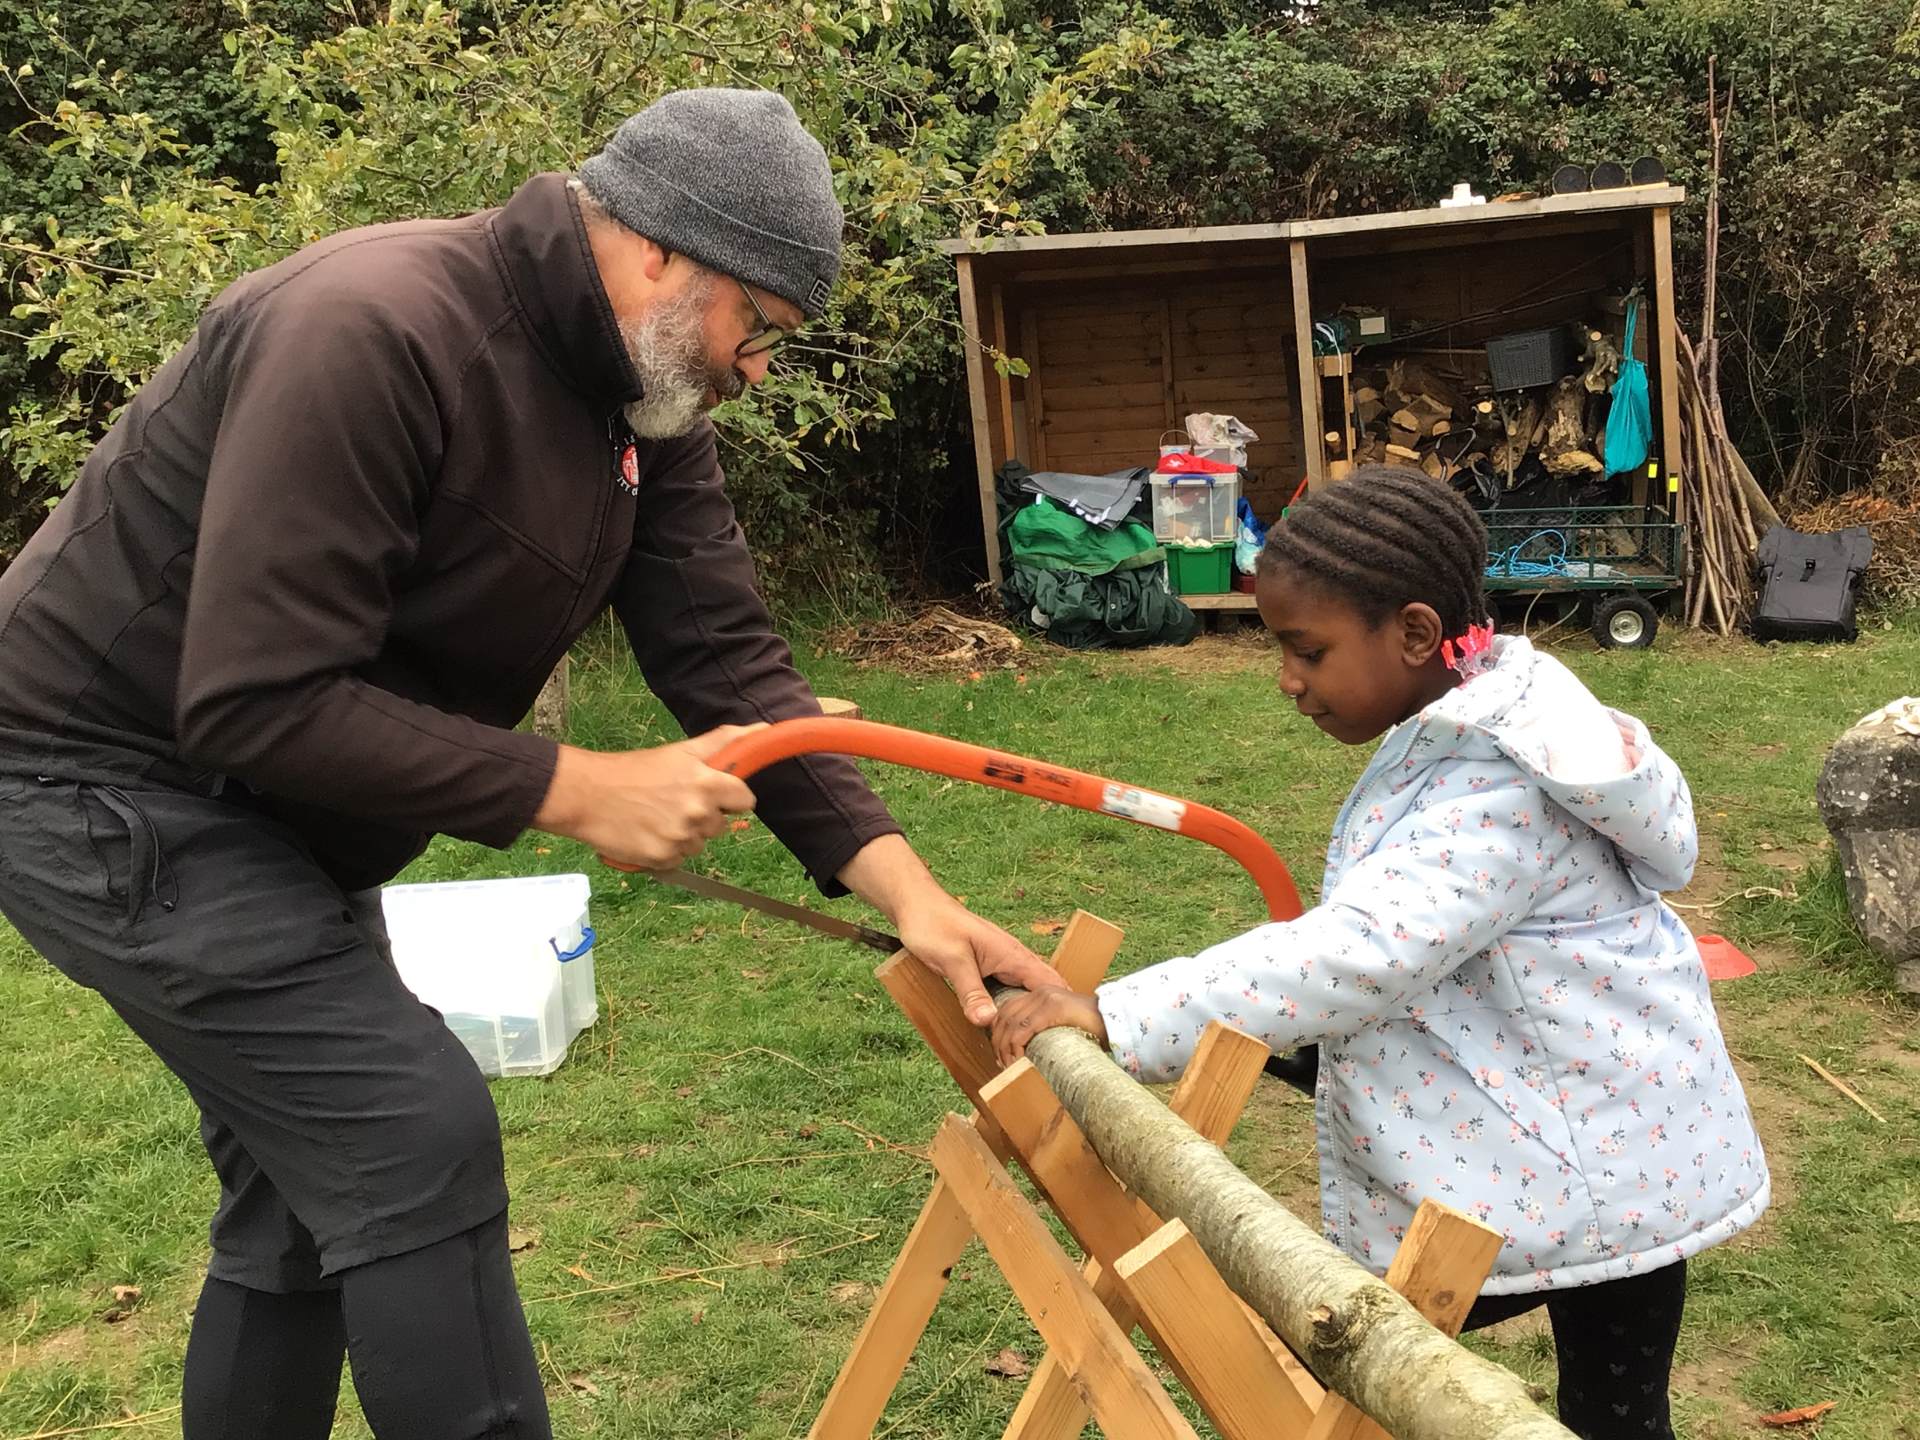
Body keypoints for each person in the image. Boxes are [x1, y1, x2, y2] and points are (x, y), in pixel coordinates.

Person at [0, 87, 1058, 1439]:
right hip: (100, 787)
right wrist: (579, 788)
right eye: (757, 327)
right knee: (407, 1133)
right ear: (664, 250)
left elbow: (729, 661)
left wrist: (913, 897)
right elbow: (257, 697)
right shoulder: (369, 327)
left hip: (276, 808)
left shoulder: (641, 408)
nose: (756, 369)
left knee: (300, 1200)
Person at [990, 466, 1769, 1439]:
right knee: (1608, 1415)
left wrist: (1118, 1014)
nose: (1287, 679)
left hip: (1580, 1176)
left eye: (1307, 650)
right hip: (1591, 1149)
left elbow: (1359, 954)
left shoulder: (1501, 792)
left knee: (1384, 1365)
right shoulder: (1488, 716)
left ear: (1412, 633)